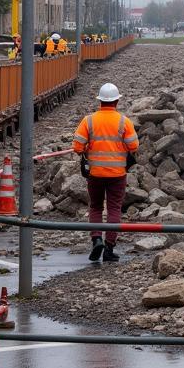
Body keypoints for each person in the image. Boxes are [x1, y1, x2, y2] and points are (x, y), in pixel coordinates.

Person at [72, 82, 139, 263]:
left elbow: (77, 146)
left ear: (100, 101)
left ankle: (96, 240)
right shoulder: (124, 121)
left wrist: (88, 148)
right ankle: (109, 249)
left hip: (95, 173)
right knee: (114, 209)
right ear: (117, 101)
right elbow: (134, 145)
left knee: (95, 207)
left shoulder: (89, 120)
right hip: (117, 174)